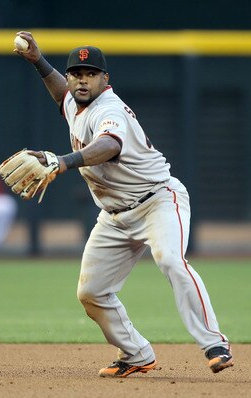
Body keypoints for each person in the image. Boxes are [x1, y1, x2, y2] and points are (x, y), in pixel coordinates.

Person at [14, 31, 234, 377]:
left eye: (90, 74)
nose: (81, 80)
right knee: (91, 292)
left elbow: (109, 146)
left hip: (158, 200)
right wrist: (39, 62)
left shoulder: (110, 109)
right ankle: (135, 354)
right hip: (115, 216)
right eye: (76, 73)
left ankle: (214, 343)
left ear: (105, 80)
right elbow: (62, 95)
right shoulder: (75, 100)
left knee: (171, 261)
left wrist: (61, 161)